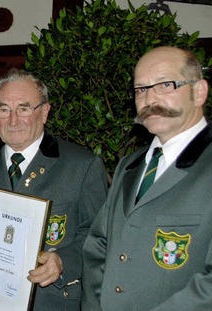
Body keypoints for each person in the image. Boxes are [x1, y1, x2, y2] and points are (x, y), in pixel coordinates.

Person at [0, 69, 108, 310]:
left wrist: (63, 262)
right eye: (3, 109)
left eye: (23, 108)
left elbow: (99, 238)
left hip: (49, 301)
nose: (13, 120)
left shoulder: (82, 166)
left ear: (44, 112)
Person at [82, 46, 212, 309]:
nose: (149, 99)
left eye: (165, 85)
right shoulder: (130, 166)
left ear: (199, 92)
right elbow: (98, 248)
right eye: (140, 89)